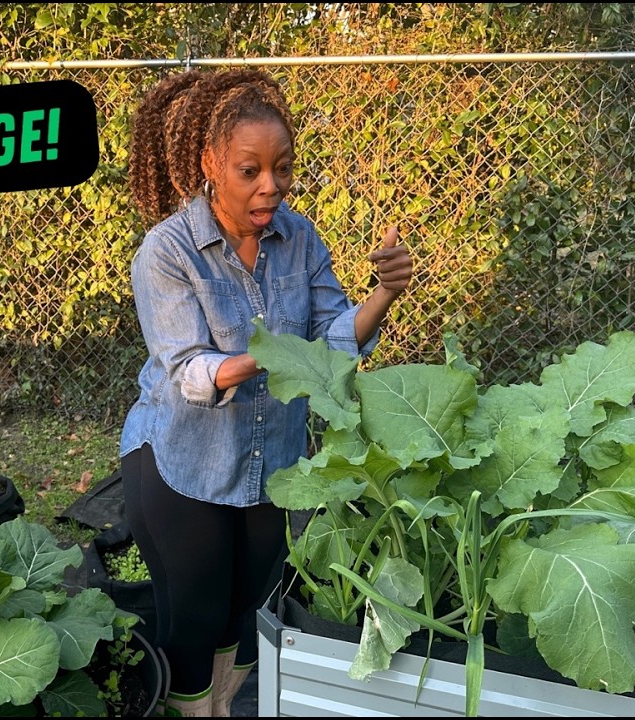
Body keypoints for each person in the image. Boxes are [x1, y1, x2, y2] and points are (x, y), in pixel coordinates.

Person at [119, 68, 415, 717]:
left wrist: (385, 294)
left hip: (272, 465)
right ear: (210, 164)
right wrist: (274, 355)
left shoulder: (299, 238)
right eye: (250, 170)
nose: (271, 186)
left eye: (281, 168)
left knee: (249, 608)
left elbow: (333, 338)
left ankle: (221, 708)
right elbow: (190, 372)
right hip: (184, 462)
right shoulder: (167, 251)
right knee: (195, 616)